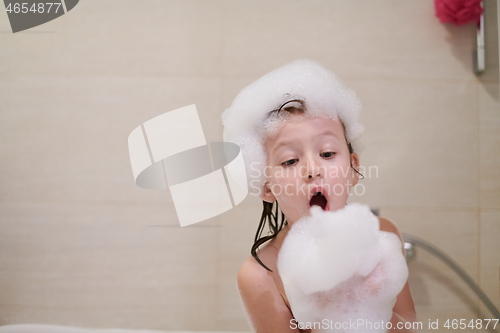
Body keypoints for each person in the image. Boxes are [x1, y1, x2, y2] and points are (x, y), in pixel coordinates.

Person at [222, 60, 416, 332]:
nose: (313, 170)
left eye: (327, 153)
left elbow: (409, 328)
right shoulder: (261, 274)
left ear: (353, 169)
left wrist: (371, 303)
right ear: (267, 187)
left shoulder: (382, 235)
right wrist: (328, 311)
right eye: (290, 161)